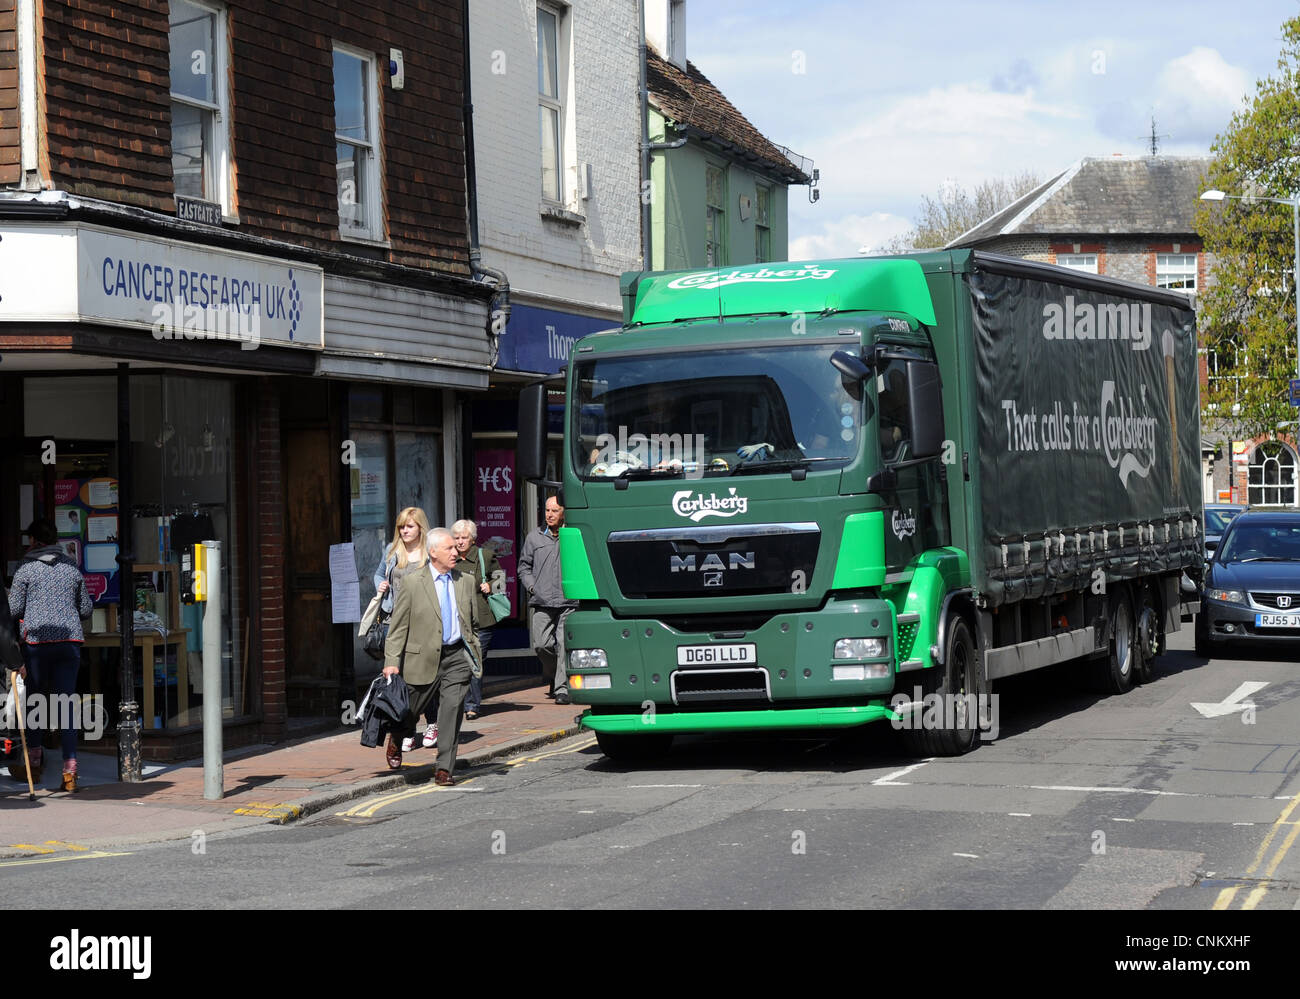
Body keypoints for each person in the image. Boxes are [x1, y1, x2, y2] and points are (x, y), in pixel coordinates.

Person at [382, 528, 484, 786]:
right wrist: (392, 662)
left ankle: (444, 769)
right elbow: (398, 626)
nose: (456, 551)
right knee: (409, 712)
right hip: (421, 658)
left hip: (456, 658)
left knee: (451, 713)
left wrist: (472, 649)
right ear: (433, 552)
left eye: (456, 547)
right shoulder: (413, 582)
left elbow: (471, 622)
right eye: (449, 548)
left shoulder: (466, 581)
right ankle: (397, 736)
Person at [8, 518, 92, 791]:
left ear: (33, 541)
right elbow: (86, 608)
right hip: (69, 642)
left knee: (34, 701)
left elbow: (13, 609)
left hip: (37, 643)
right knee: (65, 704)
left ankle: (33, 762)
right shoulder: (71, 567)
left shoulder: (26, 568)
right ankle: (70, 769)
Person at [373, 507, 433, 753]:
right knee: (402, 679)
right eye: (401, 527)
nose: (404, 531)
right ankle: (407, 729)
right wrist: (382, 585)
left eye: (409, 526)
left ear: (420, 527)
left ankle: (432, 723)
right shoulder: (392, 551)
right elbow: (377, 575)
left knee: (426, 677)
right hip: (395, 621)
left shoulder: (430, 552)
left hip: (423, 623)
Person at [517, 495, 575, 704]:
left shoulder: (573, 534)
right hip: (541, 600)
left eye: (554, 511)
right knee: (541, 644)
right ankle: (553, 674)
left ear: (564, 513)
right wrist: (532, 586)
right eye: (547, 510)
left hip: (569, 602)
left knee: (563, 644)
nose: (549, 515)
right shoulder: (534, 537)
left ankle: (561, 689)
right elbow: (523, 567)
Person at [451, 519, 504, 720]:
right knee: (458, 664)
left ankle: (472, 705)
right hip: (455, 620)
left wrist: (491, 585)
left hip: (480, 621)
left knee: (473, 662)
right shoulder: (449, 558)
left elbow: (501, 579)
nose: (460, 542)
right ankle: (457, 702)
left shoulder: (485, 556)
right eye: (456, 538)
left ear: (473, 539)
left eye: (464, 537)